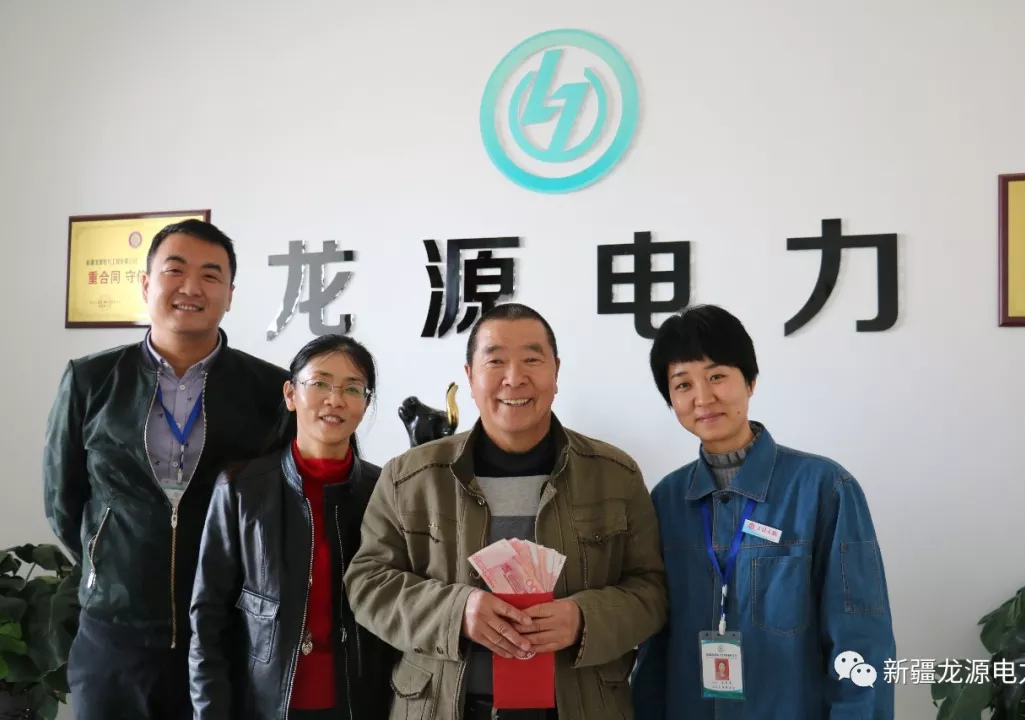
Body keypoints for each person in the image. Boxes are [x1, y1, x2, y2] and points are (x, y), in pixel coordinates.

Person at [344, 302, 668, 720]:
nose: (514, 378)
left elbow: (651, 591)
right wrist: (456, 612)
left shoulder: (615, 474)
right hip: (442, 708)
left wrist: (584, 619)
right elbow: (368, 583)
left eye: (532, 359)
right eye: (495, 361)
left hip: (581, 707)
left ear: (556, 372)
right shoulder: (410, 477)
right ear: (470, 377)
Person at [43, 219, 289, 720]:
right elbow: (63, 499)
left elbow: (279, 505)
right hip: (113, 635)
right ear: (145, 284)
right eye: (175, 270)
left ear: (230, 295)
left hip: (224, 638)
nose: (191, 287)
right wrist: (109, 560)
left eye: (211, 275)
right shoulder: (91, 380)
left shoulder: (269, 390)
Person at [630, 304, 896, 719]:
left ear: (750, 381)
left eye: (717, 376)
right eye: (683, 384)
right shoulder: (665, 500)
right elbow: (654, 648)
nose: (703, 398)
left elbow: (861, 641)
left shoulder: (825, 489)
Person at [188, 334, 395, 720]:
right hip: (264, 704)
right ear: (290, 394)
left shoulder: (384, 492)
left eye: (352, 389)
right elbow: (208, 618)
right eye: (320, 383)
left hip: (357, 703)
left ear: (365, 405)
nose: (335, 399)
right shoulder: (240, 488)